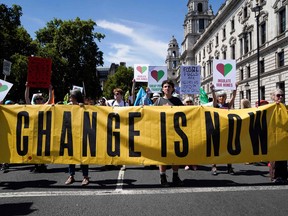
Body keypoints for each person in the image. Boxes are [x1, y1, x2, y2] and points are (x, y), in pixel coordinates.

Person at [154, 80, 184, 187]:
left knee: (175, 155)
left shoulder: (177, 101)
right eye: (165, 86)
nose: (167, 88)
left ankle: (175, 176)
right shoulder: (158, 101)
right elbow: (151, 114)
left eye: (169, 86)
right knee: (162, 156)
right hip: (162, 132)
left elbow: (185, 113)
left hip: (175, 132)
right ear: (162, 89)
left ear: (172, 89)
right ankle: (163, 176)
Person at [210, 83, 238, 175]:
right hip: (217, 129)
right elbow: (213, 98)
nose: (221, 98)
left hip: (227, 129)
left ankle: (229, 167)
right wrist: (212, 90)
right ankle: (214, 166)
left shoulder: (228, 105)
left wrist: (235, 88)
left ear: (225, 97)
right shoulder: (216, 106)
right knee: (216, 148)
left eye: (223, 96)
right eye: (220, 96)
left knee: (228, 148)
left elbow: (233, 97)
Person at [25, 82, 52, 172]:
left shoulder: (44, 107)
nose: (39, 100)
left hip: (43, 131)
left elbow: (50, 100)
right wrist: (27, 87)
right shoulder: (31, 107)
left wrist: (50, 89)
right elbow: (26, 98)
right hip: (33, 131)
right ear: (35, 100)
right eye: (37, 99)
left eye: (40, 99)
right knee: (34, 148)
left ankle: (43, 164)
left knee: (42, 148)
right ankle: (36, 165)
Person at [65, 89, 90, 186]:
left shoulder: (83, 107)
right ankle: (71, 176)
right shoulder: (67, 106)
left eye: (72, 97)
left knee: (83, 157)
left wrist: (82, 107)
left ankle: (85, 177)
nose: (70, 99)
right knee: (71, 156)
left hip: (82, 134)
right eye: (70, 97)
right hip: (71, 134)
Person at [269, 89, 287, 184]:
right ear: (273, 97)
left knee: (284, 157)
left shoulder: (286, 108)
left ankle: (284, 176)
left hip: (284, 136)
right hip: (273, 136)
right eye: (278, 95)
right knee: (275, 158)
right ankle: (274, 176)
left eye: (282, 95)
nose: (280, 97)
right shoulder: (269, 109)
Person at [183, 96, 197, 171]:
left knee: (194, 147)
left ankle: (194, 163)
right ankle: (187, 163)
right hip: (185, 130)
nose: (189, 103)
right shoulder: (182, 109)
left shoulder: (196, 109)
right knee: (186, 147)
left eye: (190, 102)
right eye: (187, 102)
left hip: (194, 130)